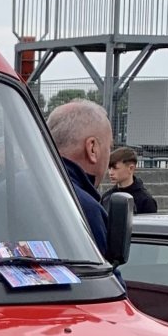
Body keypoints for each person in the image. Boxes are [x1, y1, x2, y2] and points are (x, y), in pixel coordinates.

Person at [46, 100, 112, 246]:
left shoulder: (2, 192)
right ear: (92, 148)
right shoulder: (85, 210)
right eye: (109, 148)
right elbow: (99, 268)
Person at [103, 146, 158, 214]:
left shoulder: (146, 201)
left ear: (131, 168)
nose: (110, 173)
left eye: (115, 168)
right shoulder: (107, 197)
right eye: (109, 168)